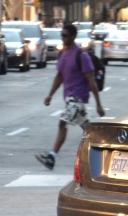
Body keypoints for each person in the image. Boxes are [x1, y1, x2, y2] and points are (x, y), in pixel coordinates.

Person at [36, 22, 105, 170]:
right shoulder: (63, 53)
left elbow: (91, 80)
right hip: (69, 100)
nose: (63, 38)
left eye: (65, 36)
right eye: (62, 35)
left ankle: (52, 157)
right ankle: (103, 154)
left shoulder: (82, 55)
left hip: (78, 99)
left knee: (63, 123)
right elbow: (59, 76)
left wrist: (99, 104)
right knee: (89, 131)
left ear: (73, 36)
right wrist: (50, 95)